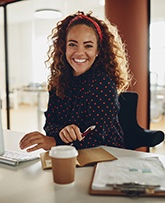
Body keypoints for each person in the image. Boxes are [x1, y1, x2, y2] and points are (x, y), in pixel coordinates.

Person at [19, 11, 132, 152]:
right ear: (64, 48)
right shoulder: (58, 81)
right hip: (70, 154)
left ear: (98, 51)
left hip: (106, 155)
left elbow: (97, 137)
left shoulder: (103, 83)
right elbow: (50, 124)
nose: (79, 52)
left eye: (88, 46)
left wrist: (55, 141)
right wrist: (62, 131)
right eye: (72, 44)